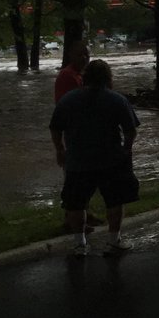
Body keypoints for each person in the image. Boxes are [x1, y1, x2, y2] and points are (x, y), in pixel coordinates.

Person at [50, 59, 140, 257]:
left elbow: (55, 128)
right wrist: (126, 150)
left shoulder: (68, 100)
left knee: (76, 203)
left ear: (85, 77)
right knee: (115, 201)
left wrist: (60, 149)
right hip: (111, 160)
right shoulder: (116, 99)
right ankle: (114, 241)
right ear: (108, 78)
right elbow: (131, 131)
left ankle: (79, 244)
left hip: (77, 161)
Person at [54, 40, 99, 233]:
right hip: (74, 133)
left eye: (87, 54)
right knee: (75, 177)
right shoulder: (68, 76)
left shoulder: (81, 75)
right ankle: (71, 219)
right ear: (71, 56)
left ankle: (84, 212)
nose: (84, 58)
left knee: (86, 176)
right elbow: (65, 107)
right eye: (80, 54)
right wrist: (60, 147)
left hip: (83, 133)